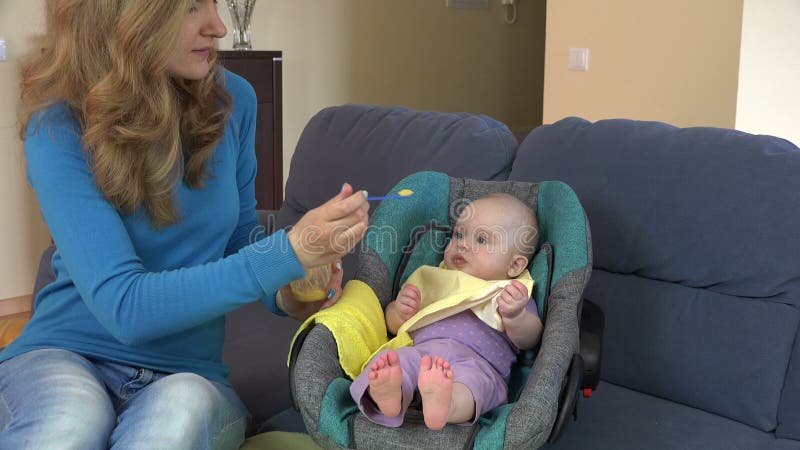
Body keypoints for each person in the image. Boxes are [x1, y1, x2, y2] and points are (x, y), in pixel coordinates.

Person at [0, 1, 369, 449]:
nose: (217, 27)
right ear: (124, 15)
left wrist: (289, 290)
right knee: (69, 420)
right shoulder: (58, 124)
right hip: (64, 352)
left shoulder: (234, 101)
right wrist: (286, 253)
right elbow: (125, 307)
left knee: (177, 417)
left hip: (188, 373)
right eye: (192, 7)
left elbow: (236, 238)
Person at [350, 193, 543, 430]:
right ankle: (390, 395)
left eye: (481, 240)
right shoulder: (436, 278)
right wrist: (399, 311)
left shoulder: (511, 292)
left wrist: (515, 315)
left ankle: (445, 404)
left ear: (514, 265)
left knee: (474, 386)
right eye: (459, 234)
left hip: (480, 365)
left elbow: (531, 338)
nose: (462, 243)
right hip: (422, 353)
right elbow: (391, 325)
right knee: (393, 362)